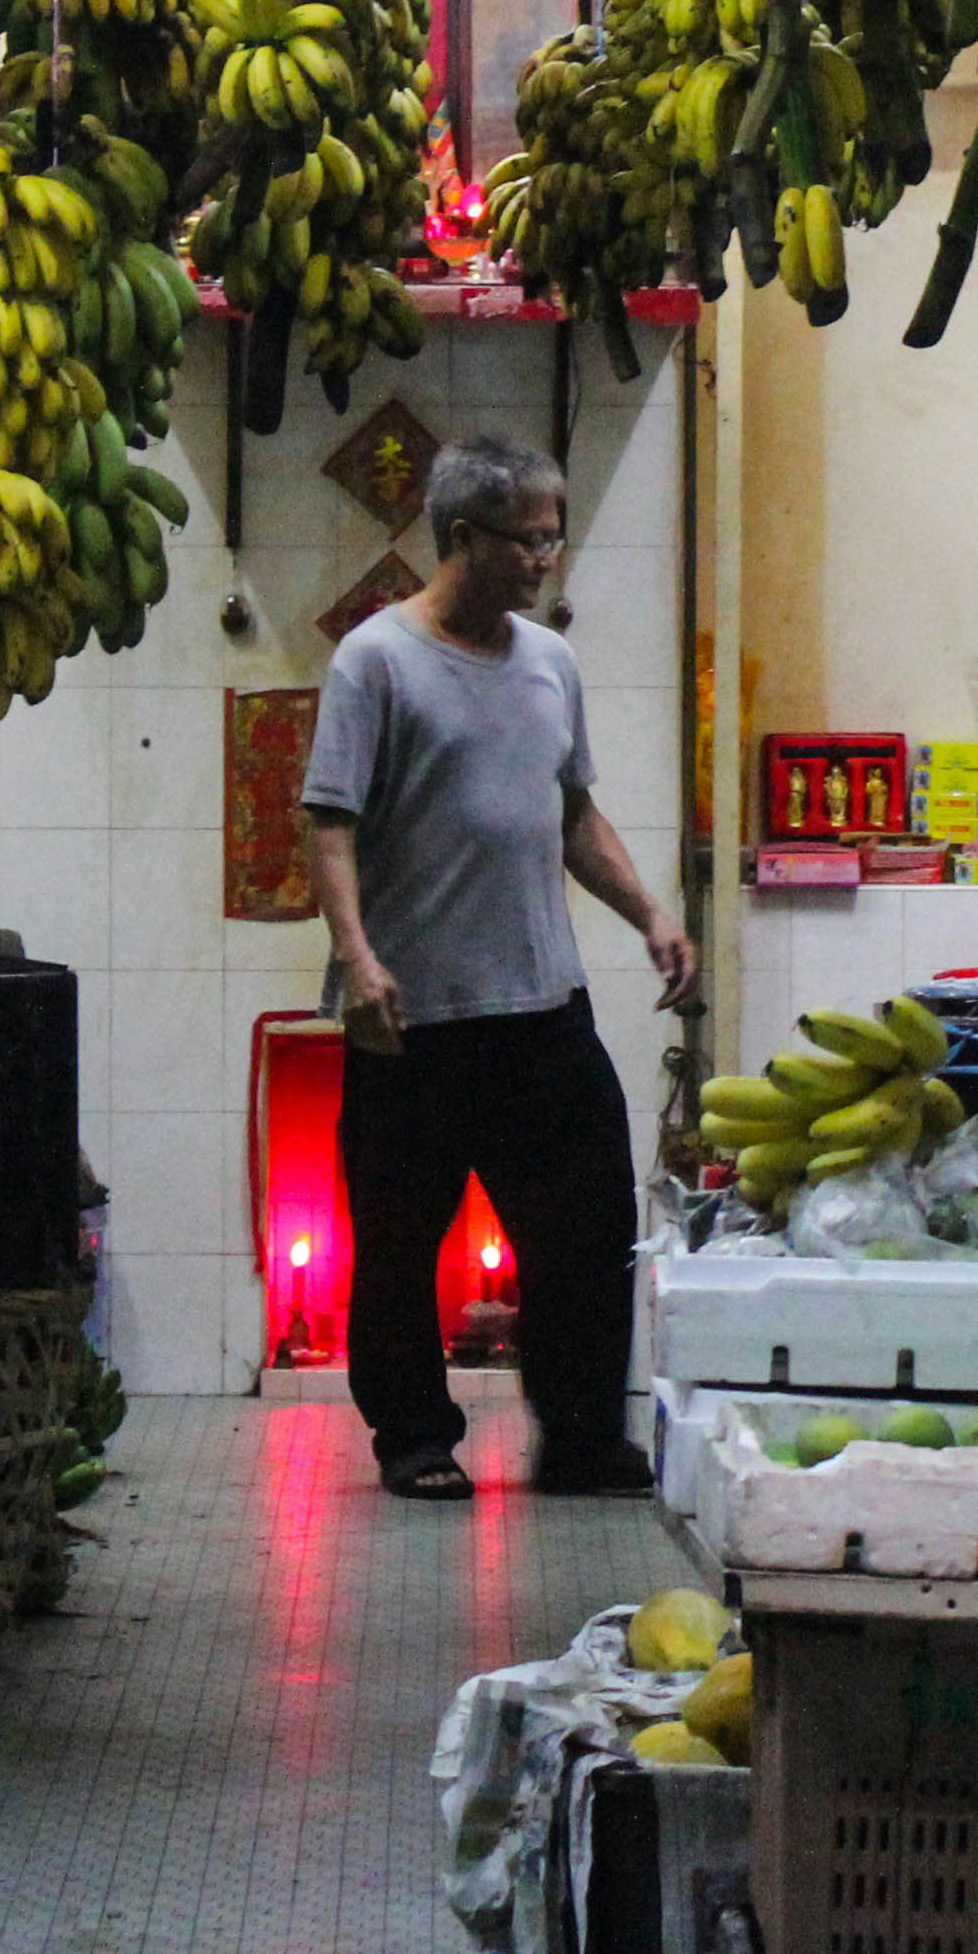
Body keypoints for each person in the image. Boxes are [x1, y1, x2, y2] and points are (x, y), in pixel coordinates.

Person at [301, 438, 697, 1502]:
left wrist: (649, 914)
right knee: (396, 1242)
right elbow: (328, 823)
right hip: (413, 1016)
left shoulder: (548, 661)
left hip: (542, 1005)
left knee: (587, 1230)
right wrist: (356, 955)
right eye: (529, 538)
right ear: (464, 536)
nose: (545, 557)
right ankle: (413, 1438)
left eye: (552, 536)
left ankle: (579, 1437)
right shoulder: (375, 660)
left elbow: (573, 814)